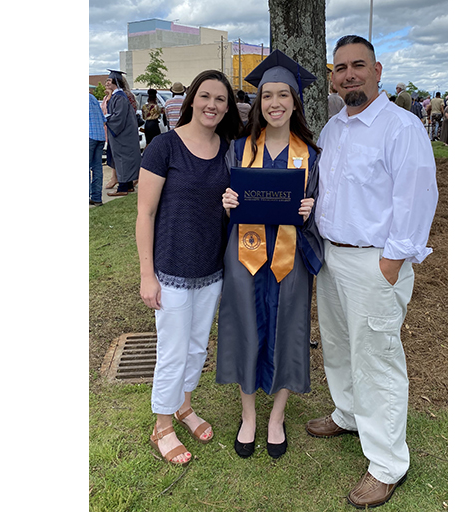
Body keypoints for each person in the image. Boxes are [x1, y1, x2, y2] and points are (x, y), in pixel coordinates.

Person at [309, 34, 438, 509]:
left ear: (377, 70)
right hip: (332, 256)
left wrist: (392, 259)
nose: (348, 75)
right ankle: (347, 412)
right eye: (340, 68)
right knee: (340, 345)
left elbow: (418, 197)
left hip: (374, 261)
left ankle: (386, 464)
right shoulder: (334, 129)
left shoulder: (401, 127)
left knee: (378, 358)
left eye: (357, 65)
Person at [216, 50, 323, 460]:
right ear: (258, 103)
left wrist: (313, 208)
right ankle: (248, 415)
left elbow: (323, 210)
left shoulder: (311, 155)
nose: (275, 103)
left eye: (284, 95)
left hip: (291, 258)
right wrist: (226, 202)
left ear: (296, 102)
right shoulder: (238, 149)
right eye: (267, 96)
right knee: (245, 323)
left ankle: (276, 415)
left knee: (289, 328)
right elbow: (225, 205)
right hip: (244, 256)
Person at [135, 69, 243, 466]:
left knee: (197, 347)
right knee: (173, 349)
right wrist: (148, 274)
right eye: (206, 96)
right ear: (192, 100)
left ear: (227, 107)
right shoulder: (164, 147)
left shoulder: (228, 149)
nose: (212, 105)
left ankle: (183, 405)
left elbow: (229, 206)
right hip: (172, 269)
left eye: (220, 99)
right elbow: (144, 213)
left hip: (211, 269)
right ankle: (162, 424)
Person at [104, 70, 141, 197]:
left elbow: (118, 117)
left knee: (122, 159)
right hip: (125, 134)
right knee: (125, 158)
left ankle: (123, 187)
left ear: (116, 82)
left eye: (109, 81)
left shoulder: (119, 97)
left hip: (122, 135)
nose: (107, 83)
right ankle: (129, 185)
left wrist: (106, 119)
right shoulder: (117, 96)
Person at [89, 92, 106, 206]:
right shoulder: (92, 98)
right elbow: (103, 119)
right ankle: (96, 197)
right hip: (99, 136)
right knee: (97, 168)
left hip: (89, 136)